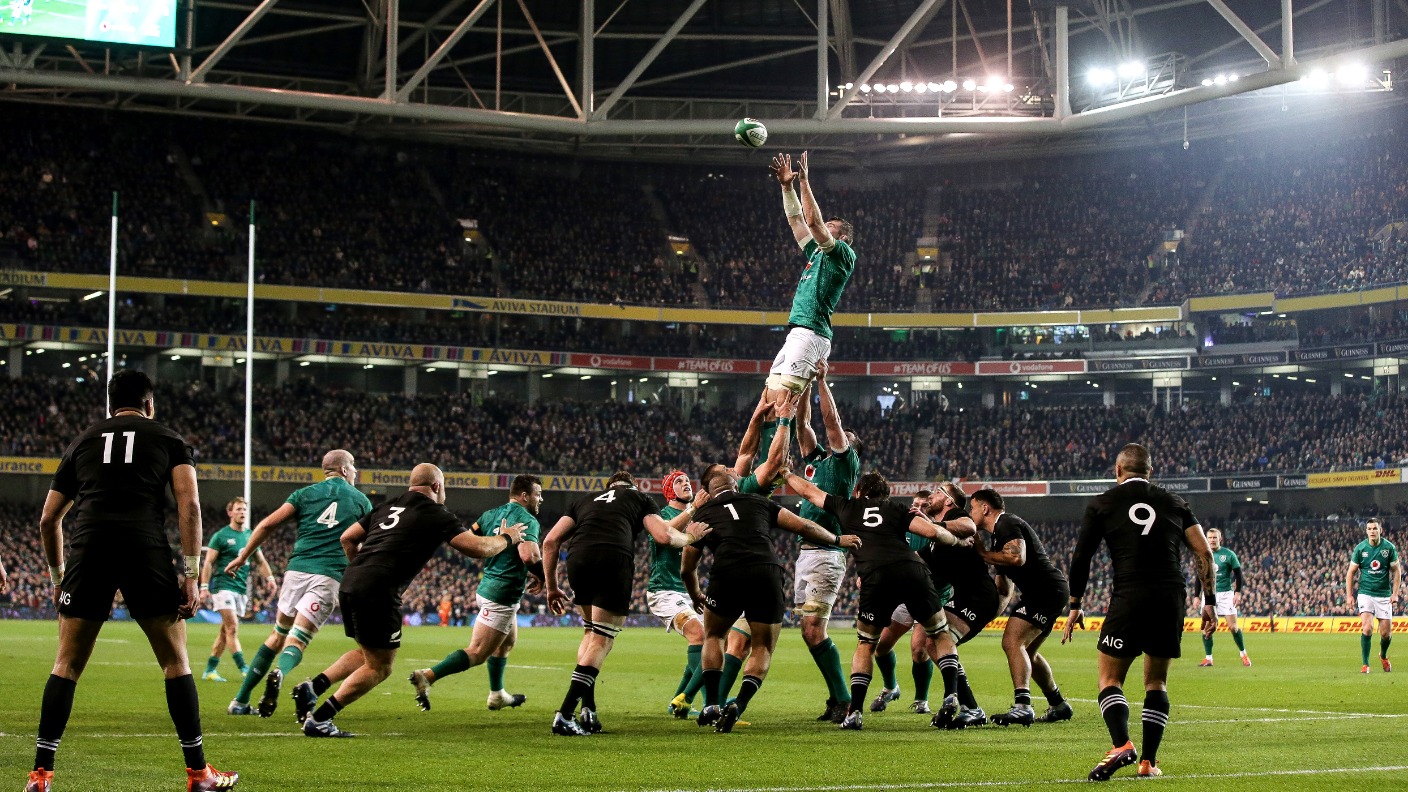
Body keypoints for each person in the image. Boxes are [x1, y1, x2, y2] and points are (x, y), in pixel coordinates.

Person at [26, 370, 238, 792]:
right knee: (175, 662)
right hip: (145, 549)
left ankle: (40, 776)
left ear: (110, 405)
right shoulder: (169, 439)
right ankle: (199, 775)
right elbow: (190, 506)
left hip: (90, 548)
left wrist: (57, 577)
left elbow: (49, 519)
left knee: (66, 664)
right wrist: (191, 575)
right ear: (150, 404)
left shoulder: (82, 441)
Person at [300, 464, 525, 738]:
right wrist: (508, 537)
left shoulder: (387, 505)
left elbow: (347, 537)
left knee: (367, 653)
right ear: (437, 486)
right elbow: (478, 548)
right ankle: (321, 718)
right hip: (378, 591)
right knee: (380, 667)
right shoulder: (435, 513)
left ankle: (314, 687)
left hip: (351, 582)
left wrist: (363, 568)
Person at [1063, 443, 1216, 781]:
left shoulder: (1102, 503)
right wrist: (1209, 601)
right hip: (1170, 596)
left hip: (1130, 595)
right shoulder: (1175, 502)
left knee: (1110, 678)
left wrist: (1075, 605)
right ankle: (1147, 763)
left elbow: (1082, 557)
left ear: (1118, 471)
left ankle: (1121, 744)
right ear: (1150, 472)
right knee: (1156, 681)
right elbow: (1204, 553)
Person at [683, 464, 861, 733]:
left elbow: (687, 568)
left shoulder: (703, 515)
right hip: (765, 571)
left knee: (714, 636)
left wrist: (695, 593)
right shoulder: (758, 502)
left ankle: (711, 705)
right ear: (734, 485)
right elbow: (803, 525)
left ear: (707, 491)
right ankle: (739, 703)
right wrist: (837, 539)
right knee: (763, 647)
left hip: (726, 573)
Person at [785, 469, 964, 731]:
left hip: (876, 576)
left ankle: (855, 712)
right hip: (912, 571)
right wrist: (957, 540)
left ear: (858, 491)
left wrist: (786, 474)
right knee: (939, 633)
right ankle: (951, 694)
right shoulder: (897, 509)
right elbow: (932, 532)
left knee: (866, 644)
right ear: (885, 495)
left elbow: (809, 492)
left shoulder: (848, 506)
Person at [542, 471, 711, 736]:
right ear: (631, 485)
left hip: (577, 559)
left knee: (590, 633)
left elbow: (550, 541)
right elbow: (664, 536)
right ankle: (564, 714)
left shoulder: (584, 499)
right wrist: (690, 538)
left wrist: (551, 587)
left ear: (609, 486)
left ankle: (588, 711)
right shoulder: (639, 498)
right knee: (601, 640)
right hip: (612, 559)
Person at [224, 449, 373, 718]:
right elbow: (368, 543)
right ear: (343, 469)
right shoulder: (361, 501)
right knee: (298, 639)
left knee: (278, 634)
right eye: (353, 466)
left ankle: (241, 700)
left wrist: (243, 556)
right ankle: (280, 672)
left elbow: (267, 524)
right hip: (328, 575)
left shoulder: (304, 494)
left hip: (296, 571)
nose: (355, 471)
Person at [405, 474, 544, 713]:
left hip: (487, 587)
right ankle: (427, 676)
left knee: (506, 643)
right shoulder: (527, 519)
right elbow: (529, 555)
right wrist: (545, 578)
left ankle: (497, 695)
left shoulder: (490, 515)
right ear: (525, 496)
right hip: (502, 594)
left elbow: (470, 539)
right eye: (538, 494)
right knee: (478, 652)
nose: (540, 499)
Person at [791, 362, 863, 722]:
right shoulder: (817, 461)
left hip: (827, 552)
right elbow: (803, 424)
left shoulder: (846, 463)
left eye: (846, 437)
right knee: (808, 633)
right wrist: (804, 383)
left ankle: (844, 700)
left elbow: (831, 421)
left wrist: (821, 379)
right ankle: (837, 698)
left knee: (813, 630)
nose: (839, 436)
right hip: (807, 552)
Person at [970, 488, 1071, 727]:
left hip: (1045, 591)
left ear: (985, 508)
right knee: (1028, 652)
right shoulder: (997, 537)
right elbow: (1004, 588)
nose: (970, 513)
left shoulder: (1006, 523)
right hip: (1048, 592)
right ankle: (1058, 705)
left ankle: (1023, 707)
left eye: (972, 508)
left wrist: (983, 554)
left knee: (1012, 642)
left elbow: (1017, 558)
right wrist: (987, 613)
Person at [764, 150, 856, 410]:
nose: (826, 225)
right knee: (770, 402)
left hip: (812, 333)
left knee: (784, 403)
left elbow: (813, 222)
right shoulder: (815, 252)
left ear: (842, 238)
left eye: (831, 226)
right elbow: (796, 220)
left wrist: (804, 181)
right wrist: (787, 188)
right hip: (797, 332)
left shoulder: (843, 254)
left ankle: (786, 439)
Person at [920, 482, 1004, 730]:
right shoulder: (934, 540)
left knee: (941, 637)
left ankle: (956, 699)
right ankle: (971, 707)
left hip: (979, 595)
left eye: (938, 491)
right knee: (931, 643)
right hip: (965, 596)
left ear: (949, 500)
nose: (931, 494)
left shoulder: (956, 516)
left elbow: (969, 525)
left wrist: (934, 525)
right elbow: (916, 561)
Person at [867, 489, 937, 714]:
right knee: (881, 646)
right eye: (915, 504)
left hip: (929, 594)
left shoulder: (937, 530)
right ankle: (891, 687)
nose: (917, 508)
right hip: (903, 592)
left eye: (924, 505)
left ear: (932, 508)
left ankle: (921, 700)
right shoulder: (902, 525)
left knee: (919, 649)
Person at [199, 497, 277, 683]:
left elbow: (260, 561)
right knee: (232, 627)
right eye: (238, 509)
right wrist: (204, 586)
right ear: (230, 512)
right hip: (223, 586)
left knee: (225, 632)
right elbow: (208, 562)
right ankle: (244, 668)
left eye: (244, 509)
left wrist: (270, 578)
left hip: (240, 588)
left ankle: (210, 670)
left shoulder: (250, 535)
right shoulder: (221, 536)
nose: (242, 512)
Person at [1346, 518, 1401, 673]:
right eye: (1369, 529)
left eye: (1375, 528)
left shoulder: (1388, 548)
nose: (1372, 531)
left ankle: (1383, 655)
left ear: (1380, 530)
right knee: (1368, 628)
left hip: (1383, 594)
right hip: (1365, 593)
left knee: (1386, 634)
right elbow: (1350, 573)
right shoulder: (1360, 548)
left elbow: (1397, 571)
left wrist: (1395, 594)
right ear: (1366, 531)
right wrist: (1349, 595)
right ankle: (1365, 664)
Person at [1194, 528, 1250, 668]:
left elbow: (1238, 574)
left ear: (1220, 539)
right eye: (1210, 537)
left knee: (1233, 627)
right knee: (1207, 629)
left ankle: (1243, 654)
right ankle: (1208, 659)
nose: (1212, 540)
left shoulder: (1229, 554)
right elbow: (1199, 577)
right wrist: (1196, 596)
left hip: (1226, 594)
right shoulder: (1203, 555)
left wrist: (1237, 592)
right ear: (1206, 539)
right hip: (1208, 594)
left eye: (1215, 537)